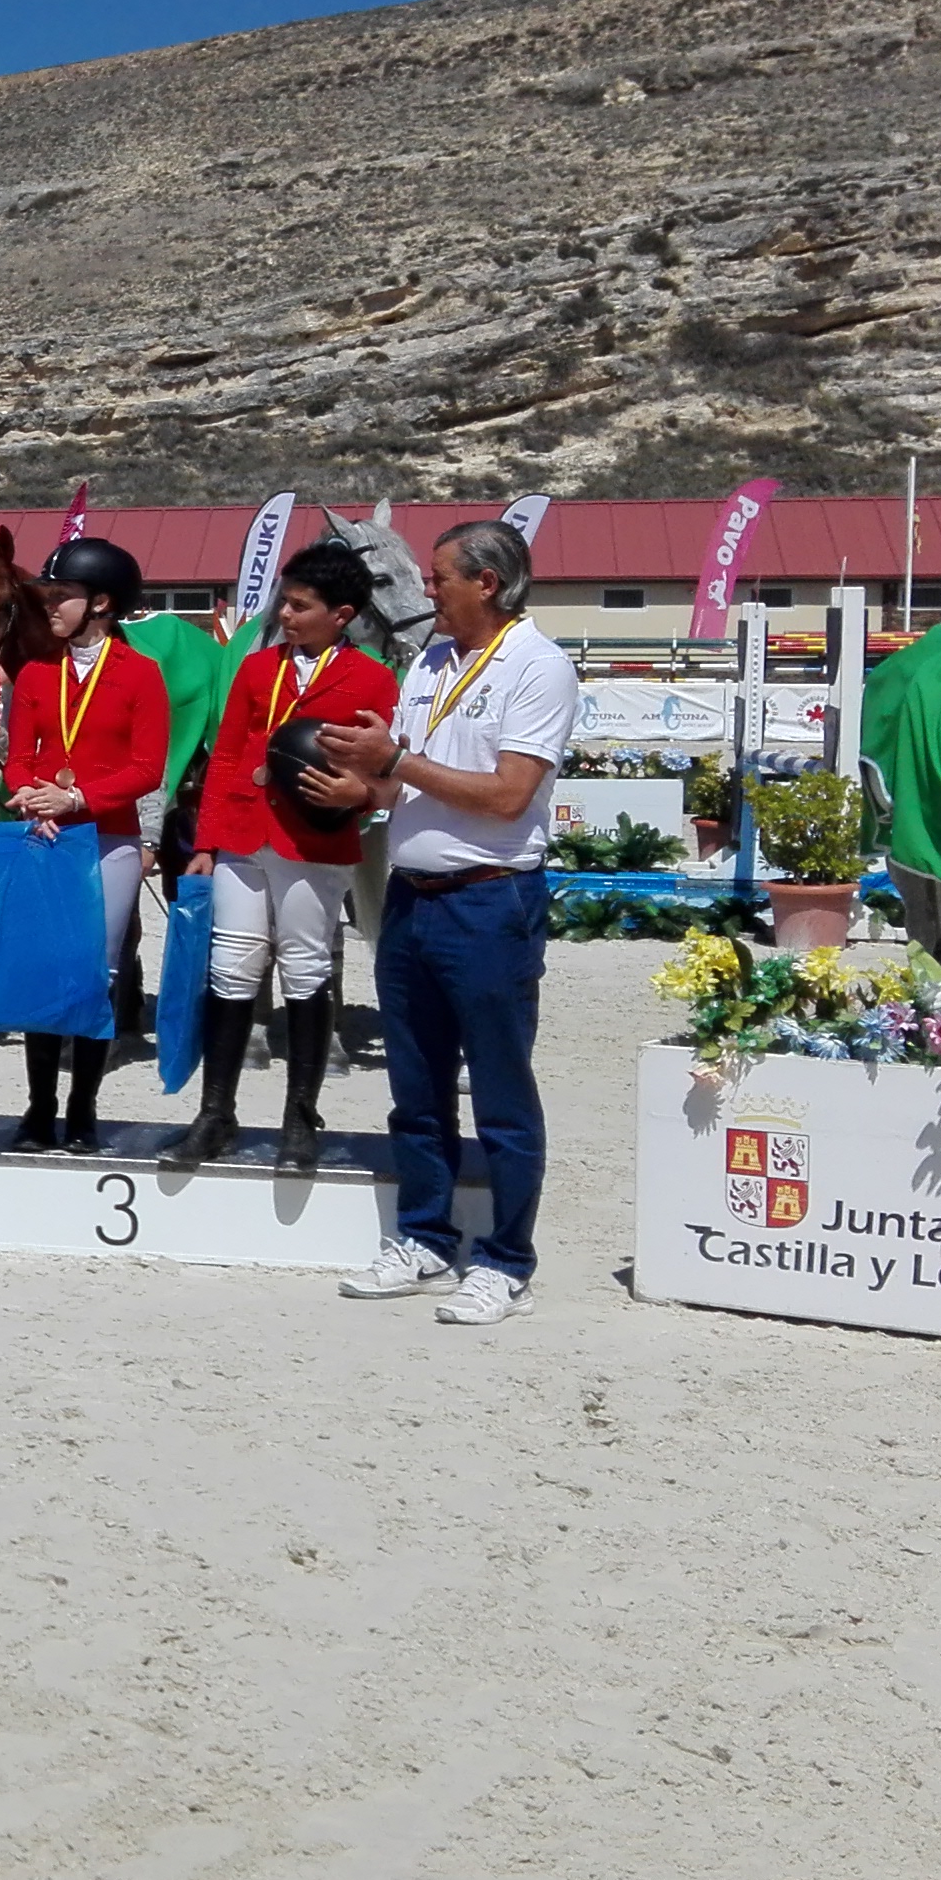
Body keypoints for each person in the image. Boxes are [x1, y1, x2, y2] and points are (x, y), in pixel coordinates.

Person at [315, 518, 580, 1327]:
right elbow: (409, 786)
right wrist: (364, 789)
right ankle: (426, 1239)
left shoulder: (538, 666)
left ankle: (506, 1261)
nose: (426, 591)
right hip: (411, 896)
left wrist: (394, 763)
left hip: (490, 900)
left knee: (500, 1090)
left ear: (487, 584)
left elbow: (506, 795)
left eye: (439, 578)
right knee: (415, 1087)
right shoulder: (430, 662)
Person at [171, 540, 398, 1171]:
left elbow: (377, 767)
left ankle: (300, 1117)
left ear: (341, 614)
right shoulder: (257, 668)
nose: (286, 615)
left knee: (304, 966)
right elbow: (225, 756)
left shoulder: (372, 678)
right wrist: (206, 842)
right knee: (232, 967)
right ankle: (215, 1112)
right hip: (244, 832)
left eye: (301, 606)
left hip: (312, 838)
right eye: (285, 603)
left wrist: (357, 800)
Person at [0, 538, 172, 1153]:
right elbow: (17, 755)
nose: (50, 605)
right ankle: (39, 1106)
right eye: (49, 594)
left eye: (62, 595)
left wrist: (76, 799)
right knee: (44, 971)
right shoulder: (35, 673)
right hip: (44, 833)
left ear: (100, 602)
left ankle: (82, 1108)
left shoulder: (141, 674)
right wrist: (29, 796)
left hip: (108, 837)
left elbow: (147, 767)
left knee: (94, 974)